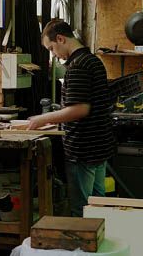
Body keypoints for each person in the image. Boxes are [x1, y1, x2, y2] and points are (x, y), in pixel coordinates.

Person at [28, 19, 115, 216]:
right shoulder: (93, 60)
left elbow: (80, 109)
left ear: (60, 39)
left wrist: (41, 119)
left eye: (52, 48)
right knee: (98, 206)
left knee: (82, 210)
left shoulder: (77, 66)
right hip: (99, 146)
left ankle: (83, 247)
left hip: (83, 148)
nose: (53, 54)